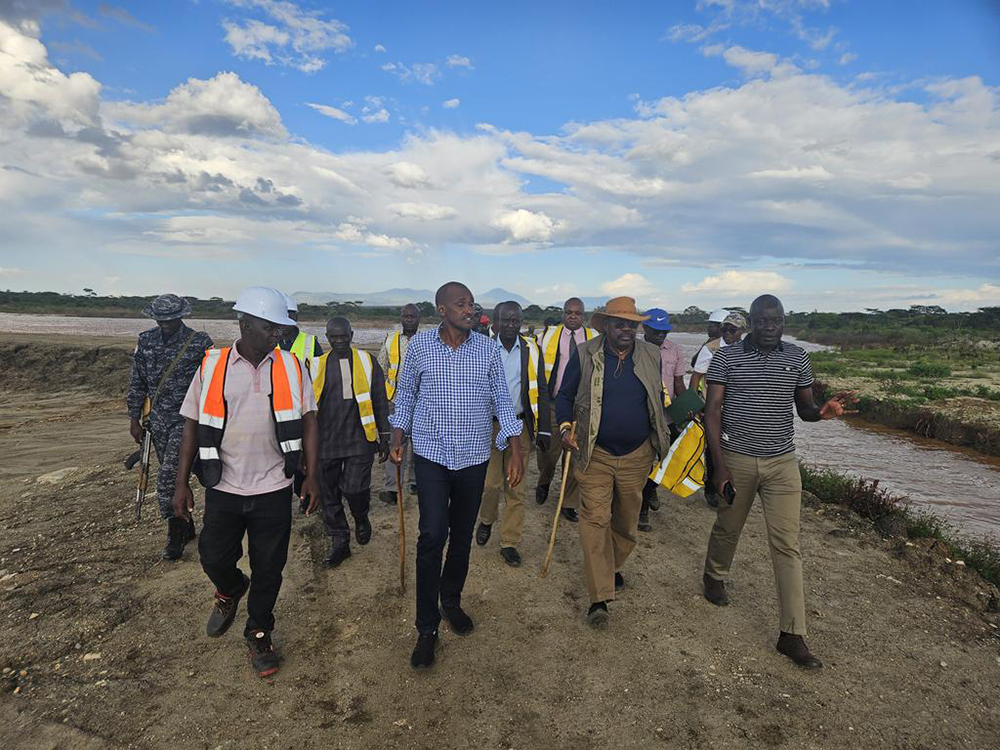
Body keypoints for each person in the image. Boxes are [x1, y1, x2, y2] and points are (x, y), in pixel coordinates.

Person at [701, 294, 856, 669]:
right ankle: (714, 575)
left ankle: (792, 634)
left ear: (784, 322)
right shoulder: (727, 357)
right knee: (728, 526)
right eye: (763, 321)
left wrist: (822, 412)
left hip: (782, 462)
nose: (770, 327)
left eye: (777, 321)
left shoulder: (797, 357)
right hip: (737, 457)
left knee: (787, 544)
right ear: (750, 323)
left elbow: (804, 410)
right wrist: (718, 467)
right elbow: (712, 412)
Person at [173, 286, 320, 679]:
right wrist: (180, 483)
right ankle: (230, 588)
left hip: (274, 486)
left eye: (279, 328)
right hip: (223, 485)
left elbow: (309, 422)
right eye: (269, 327)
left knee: (270, 567)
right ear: (244, 324)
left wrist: (312, 475)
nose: (277, 334)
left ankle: (258, 630)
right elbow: (191, 424)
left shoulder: (291, 366)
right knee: (212, 556)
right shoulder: (212, 366)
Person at [389, 282, 524, 670]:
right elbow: (406, 396)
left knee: (461, 536)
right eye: (461, 304)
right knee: (432, 534)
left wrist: (514, 450)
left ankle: (451, 601)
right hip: (431, 456)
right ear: (442, 310)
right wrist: (398, 437)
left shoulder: (487, 350)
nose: (470, 309)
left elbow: (502, 400)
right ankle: (426, 628)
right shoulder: (420, 348)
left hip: (475, 457)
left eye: (471, 303)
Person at [556, 297, 671, 630]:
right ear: (605, 325)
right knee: (594, 520)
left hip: (637, 455)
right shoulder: (585, 354)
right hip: (596, 453)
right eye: (619, 323)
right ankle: (599, 598)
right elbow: (563, 396)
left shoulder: (651, 355)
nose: (626, 329)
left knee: (626, 524)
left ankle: (610, 565)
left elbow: (655, 398)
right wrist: (565, 426)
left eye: (631, 324)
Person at [126, 293, 213, 560]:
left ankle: (174, 537)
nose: (164, 323)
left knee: (168, 479)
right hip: (159, 422)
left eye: (170, 319)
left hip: (188, 421)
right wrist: (134, 418)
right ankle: (186, 525)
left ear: (181, 316)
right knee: (179, 475)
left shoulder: (199, 342)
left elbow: (213, 383)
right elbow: (137, 381)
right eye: (160, 318)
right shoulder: (146, 340)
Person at [475, 302, 552, 567]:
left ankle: (510, 542)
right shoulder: (482, 347)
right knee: (490, 484)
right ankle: (486, 520)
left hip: (520, 427)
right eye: (505, 320)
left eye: (515, 321)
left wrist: (544, 429)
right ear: (494, 321)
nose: (511, 325)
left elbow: (541, 388)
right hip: (490, 426)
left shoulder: (531, 350)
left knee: (516, 488)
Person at [312, 317, 391, 567]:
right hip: (325, 442)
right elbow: (306, 408)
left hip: (360, 439)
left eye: (343, 336)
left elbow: (379, 399)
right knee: (328, 495)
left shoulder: (367, 361)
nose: (339, 341)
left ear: (352, 334)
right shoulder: (315, 366)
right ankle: (340, 541)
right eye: (334, 337)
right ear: (327, 337)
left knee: (356, 489)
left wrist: (384, 437)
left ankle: (361, 517)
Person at [536, 297, 598, 522]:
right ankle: (543, 481)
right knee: (548, 452)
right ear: (563, 314)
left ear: (584, 316)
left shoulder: (594, 338)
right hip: (554, 403)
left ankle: (568, 501)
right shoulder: (546, 336)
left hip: (581, 406)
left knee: (574, 455)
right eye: (569, 312)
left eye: (578, 313)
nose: (573, 316)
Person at [637, 307, 686, 532]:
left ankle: (650, 490)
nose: (661, 335)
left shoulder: (675, 350)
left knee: (665, 460)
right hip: (641, 417)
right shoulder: (634, 349)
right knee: (643, 463)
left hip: (666, 418)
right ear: (645, 328)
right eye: (656, 330)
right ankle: (642, 510)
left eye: (664, 331)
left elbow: (678, 385)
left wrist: (690, 408)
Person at [376, 303, 421, 504]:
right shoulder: (390, 340)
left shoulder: (427, 342)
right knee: (396, 442)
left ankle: (416, 482)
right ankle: (393, 488)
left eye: (413, 316)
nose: (409, 319)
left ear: (419, 319)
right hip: (395, 402)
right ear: (401, 318)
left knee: (420, 444)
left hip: (422, 403)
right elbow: (381, 369)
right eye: (406, 316)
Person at [690, 308, 729, 507]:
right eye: (709, 324)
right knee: (713, 445)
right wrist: (694, 402)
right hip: (711, 403)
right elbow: (696, 371)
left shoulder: (737, 347)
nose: (709, 328)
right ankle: (711, 487)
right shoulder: (710, 348)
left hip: (732, 406)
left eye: (713, 325)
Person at [688, 308, 729, 395]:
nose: (708, 329)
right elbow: (694, 364)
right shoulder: (709, 345)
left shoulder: (713, 346)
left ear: (720, 327)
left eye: (711, 326)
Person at [278, 293, 322, 368]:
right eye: (280, 316)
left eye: (288, 316)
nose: (283, 321)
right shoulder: (267, 341)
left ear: (295, 317)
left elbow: (319, 371)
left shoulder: (311, 342)